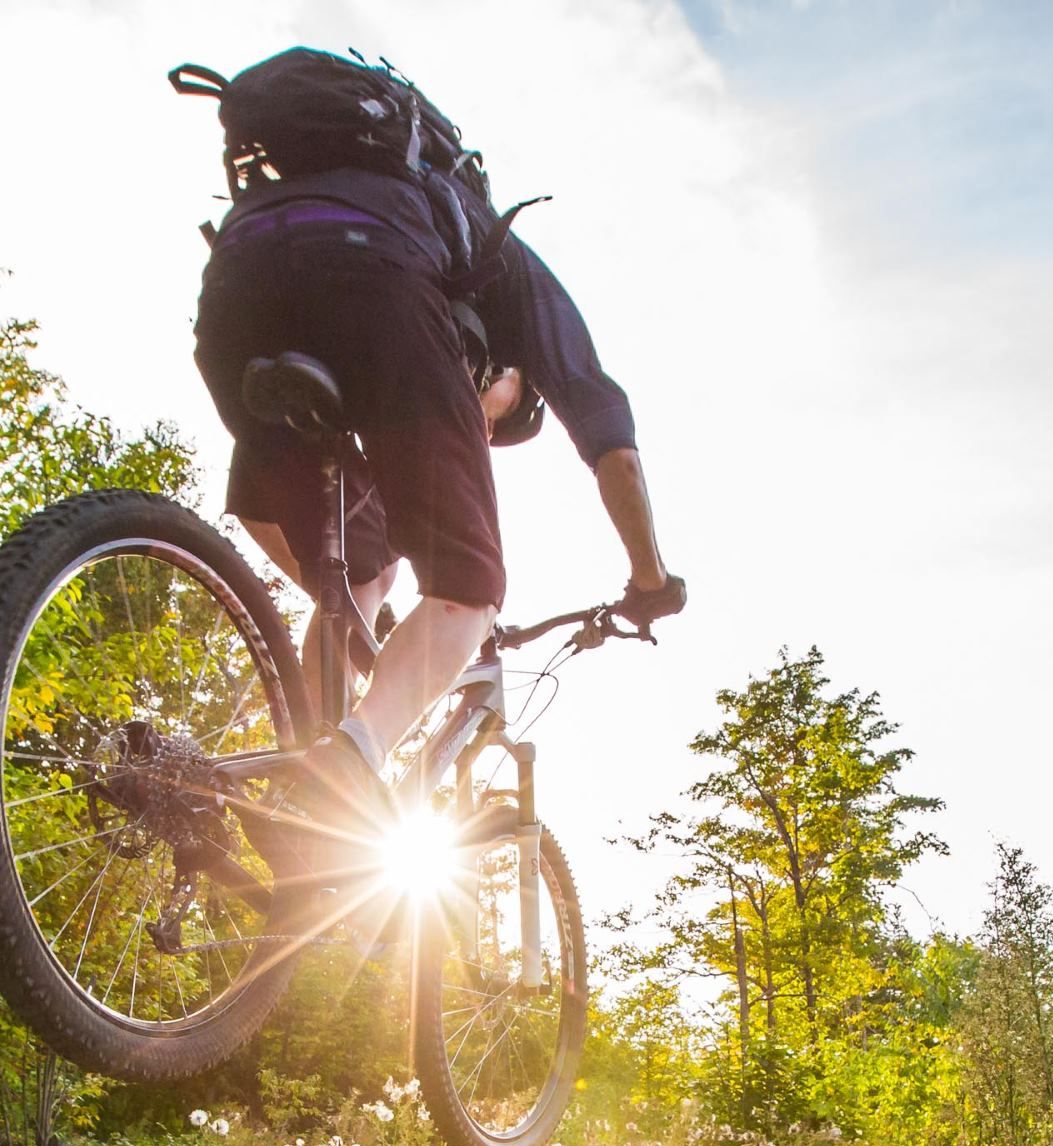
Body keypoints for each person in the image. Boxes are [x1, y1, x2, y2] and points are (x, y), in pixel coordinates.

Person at [186, 47, 684, 822]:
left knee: (361, 574)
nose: (479, 428)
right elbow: (610, 438)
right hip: (370, 278)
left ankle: (301, 781)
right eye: (498, 418)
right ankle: (346, 763)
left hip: (235, 288)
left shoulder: (377, 196)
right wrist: (651, 580)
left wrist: (365, 617)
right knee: (470, 587)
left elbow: (287, 520)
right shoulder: (503, 262)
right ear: (506, 377)